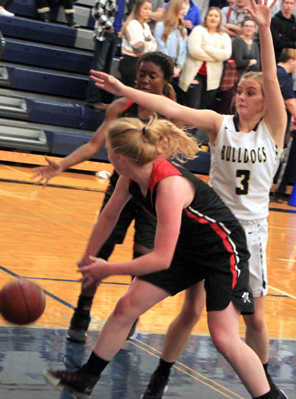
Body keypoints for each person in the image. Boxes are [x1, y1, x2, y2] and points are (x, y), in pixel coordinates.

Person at [85, 0, 288, 398]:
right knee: (192, 310)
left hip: (250, 235)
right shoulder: (219, 124)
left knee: (257, 321)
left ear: (265, 102)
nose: (241, 97)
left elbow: (274, 82)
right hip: (207, 228)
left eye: (250, 93)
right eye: (240, 91)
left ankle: (264, 382)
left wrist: (264, 30)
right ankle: (161, 375)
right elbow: (170, 106)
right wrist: (125, 90)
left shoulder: (274, 130)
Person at [44, 113, 276, 399]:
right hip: (188, 249)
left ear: (120, 157)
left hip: (224, 252)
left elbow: (161, 259)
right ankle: (86, 378)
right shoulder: (128, 176)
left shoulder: (168, 185)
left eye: (108, 152)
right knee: (126, 306)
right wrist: (88, 257)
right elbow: (109, 217)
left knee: (223, 337)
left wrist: (108, 268)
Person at [31, 52, 176, 344]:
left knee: (144, 256)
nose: (145, 80)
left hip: (155, 194)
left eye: (152, 76)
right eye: (141, 74)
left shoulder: (171, 112)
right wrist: (62, 164)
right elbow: (95, 144)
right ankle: (81, 313)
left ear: (165, 80)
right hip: (121, 189)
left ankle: (130, 314)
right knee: (99, 253)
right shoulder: (121, 107)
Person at [179, 7, 231, 110]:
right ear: (206, 17)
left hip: (212, 79)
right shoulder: (198, 30)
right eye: (210, 15)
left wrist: (207, 48)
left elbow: (226, 54)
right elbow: (194, 52)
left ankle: (196, 127)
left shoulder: (224, 36)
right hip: (195, 75)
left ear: (220, 19)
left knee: (202, 109)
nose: (213, 18)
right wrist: (216, 56)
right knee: (193, 108)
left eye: (216, 16)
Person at [84, 0, 121, 111]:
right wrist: (108, 26)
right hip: (104, 34)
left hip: (115, 35)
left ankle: (99, 99)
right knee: (98, 68)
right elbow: (96, 11)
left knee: (105, 69)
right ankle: (92, 100)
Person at [219, 16, 260, 114]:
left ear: (254, 29)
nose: (248, 28)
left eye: (251, 26)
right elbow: (238, 61)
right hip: (234, 80)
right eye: (246, 26)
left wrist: (245, 63)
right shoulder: (238, 41)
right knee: (228, 108)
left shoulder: (254, 45)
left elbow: (257, 65)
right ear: (242, 28)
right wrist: (250, 62)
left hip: (246, 79)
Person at [272, 48, 296, 203]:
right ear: (292, 60)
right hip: (274, 124)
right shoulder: (284, 76)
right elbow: (291, 102)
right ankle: (278, 192)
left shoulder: (274, 72)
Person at [118, 0, 157, 88]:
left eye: (150, 9)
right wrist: (149, 45)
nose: (148, 12)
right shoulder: (133, 24)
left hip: (141, 63)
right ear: (138, 9)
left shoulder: (145, 26)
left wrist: (147, 45)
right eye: (145, 9)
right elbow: (139, 48)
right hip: (130, 64)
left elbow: (155, 45)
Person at [154, 0, 187, 102]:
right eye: (182, 8)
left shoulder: (183, 30)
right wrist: (170, 67)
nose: (184, 11)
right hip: (162, 67)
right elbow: (161, 47)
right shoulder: (161, 26)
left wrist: (179, 68)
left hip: (176, 71)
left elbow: (183, 52)